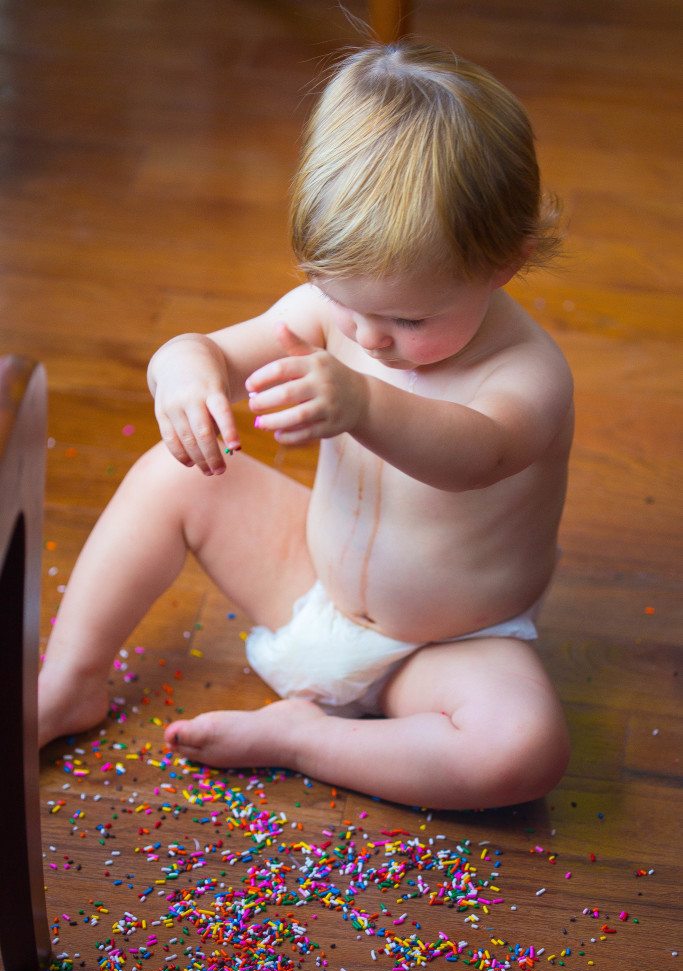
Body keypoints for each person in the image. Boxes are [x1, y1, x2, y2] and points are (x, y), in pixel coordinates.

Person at [39, 42, 573, 810]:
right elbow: (209, 349)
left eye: (407, 317)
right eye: (340, 301)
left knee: (521, 751)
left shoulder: (527, 373)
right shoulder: (341, 314)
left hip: (442, 645)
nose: (365, 336)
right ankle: (68, 684)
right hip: (306, 578)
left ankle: (305, 739)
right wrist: (183, 373)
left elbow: (477, 453)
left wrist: (362, 404)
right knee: (168, 473)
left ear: (505, 263)